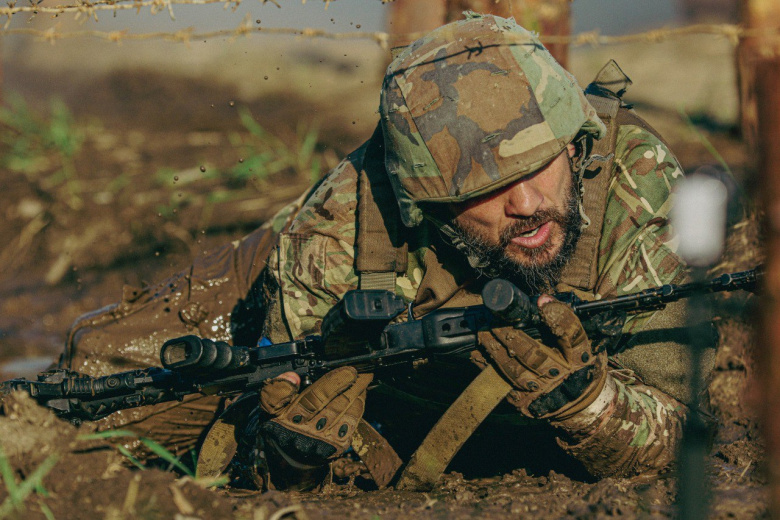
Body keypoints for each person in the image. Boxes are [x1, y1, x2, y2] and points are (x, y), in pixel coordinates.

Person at [59, 13, 715, 490]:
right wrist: (289, 448)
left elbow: (684, 432)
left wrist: (587, 404)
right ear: (426, 201)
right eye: (484, 190)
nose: (526, 204)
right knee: (96, 392)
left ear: (575, 142)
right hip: (305, 281)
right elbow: (267, 440)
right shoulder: (339, 226)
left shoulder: (637, 187)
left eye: (540, 164)